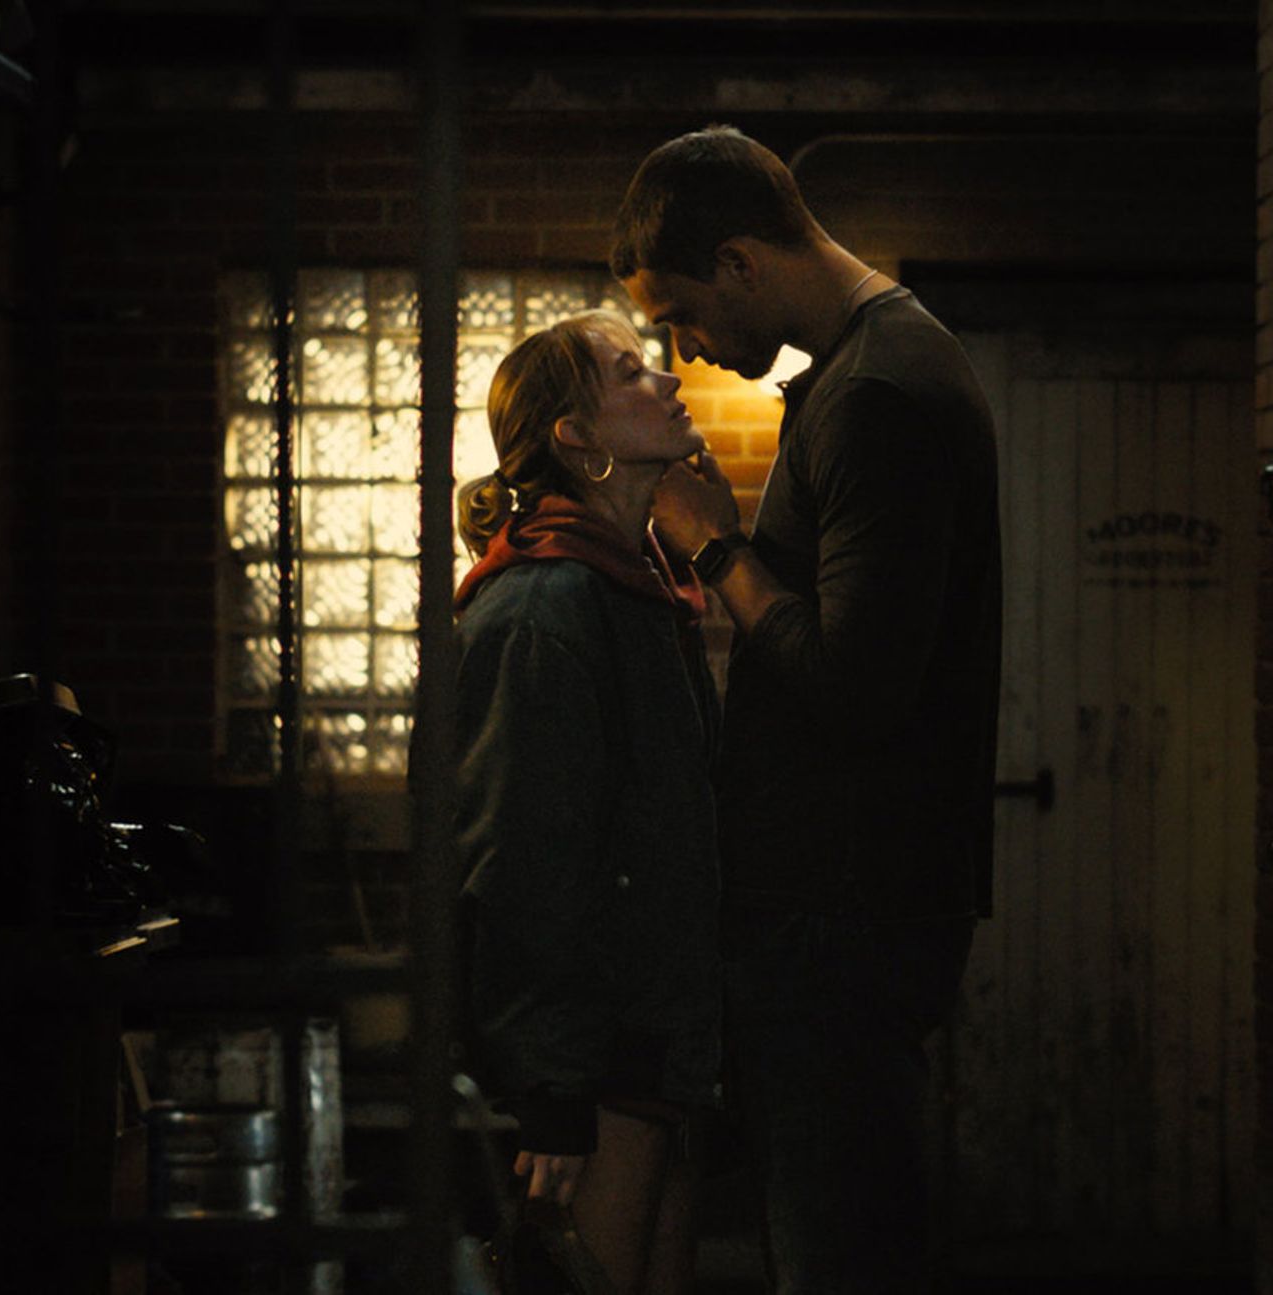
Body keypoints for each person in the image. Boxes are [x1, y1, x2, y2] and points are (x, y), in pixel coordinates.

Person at [610, 125, 1001, 1293]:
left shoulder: (877, 391)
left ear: (739, 262)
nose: (686, 349)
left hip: (844, 911)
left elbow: (854, 684)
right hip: (844, 902)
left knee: (839, 1250)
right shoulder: (866, 367)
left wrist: (717, 547)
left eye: (684, 314)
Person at [453, 309, 723, 1294]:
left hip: (651, 1053)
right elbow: (521, 863)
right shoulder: (545, 607)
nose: (668, 380)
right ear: (576, 436)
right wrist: (553, 1091)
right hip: (598, 1066)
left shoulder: (637, 591)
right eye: (631, 373)